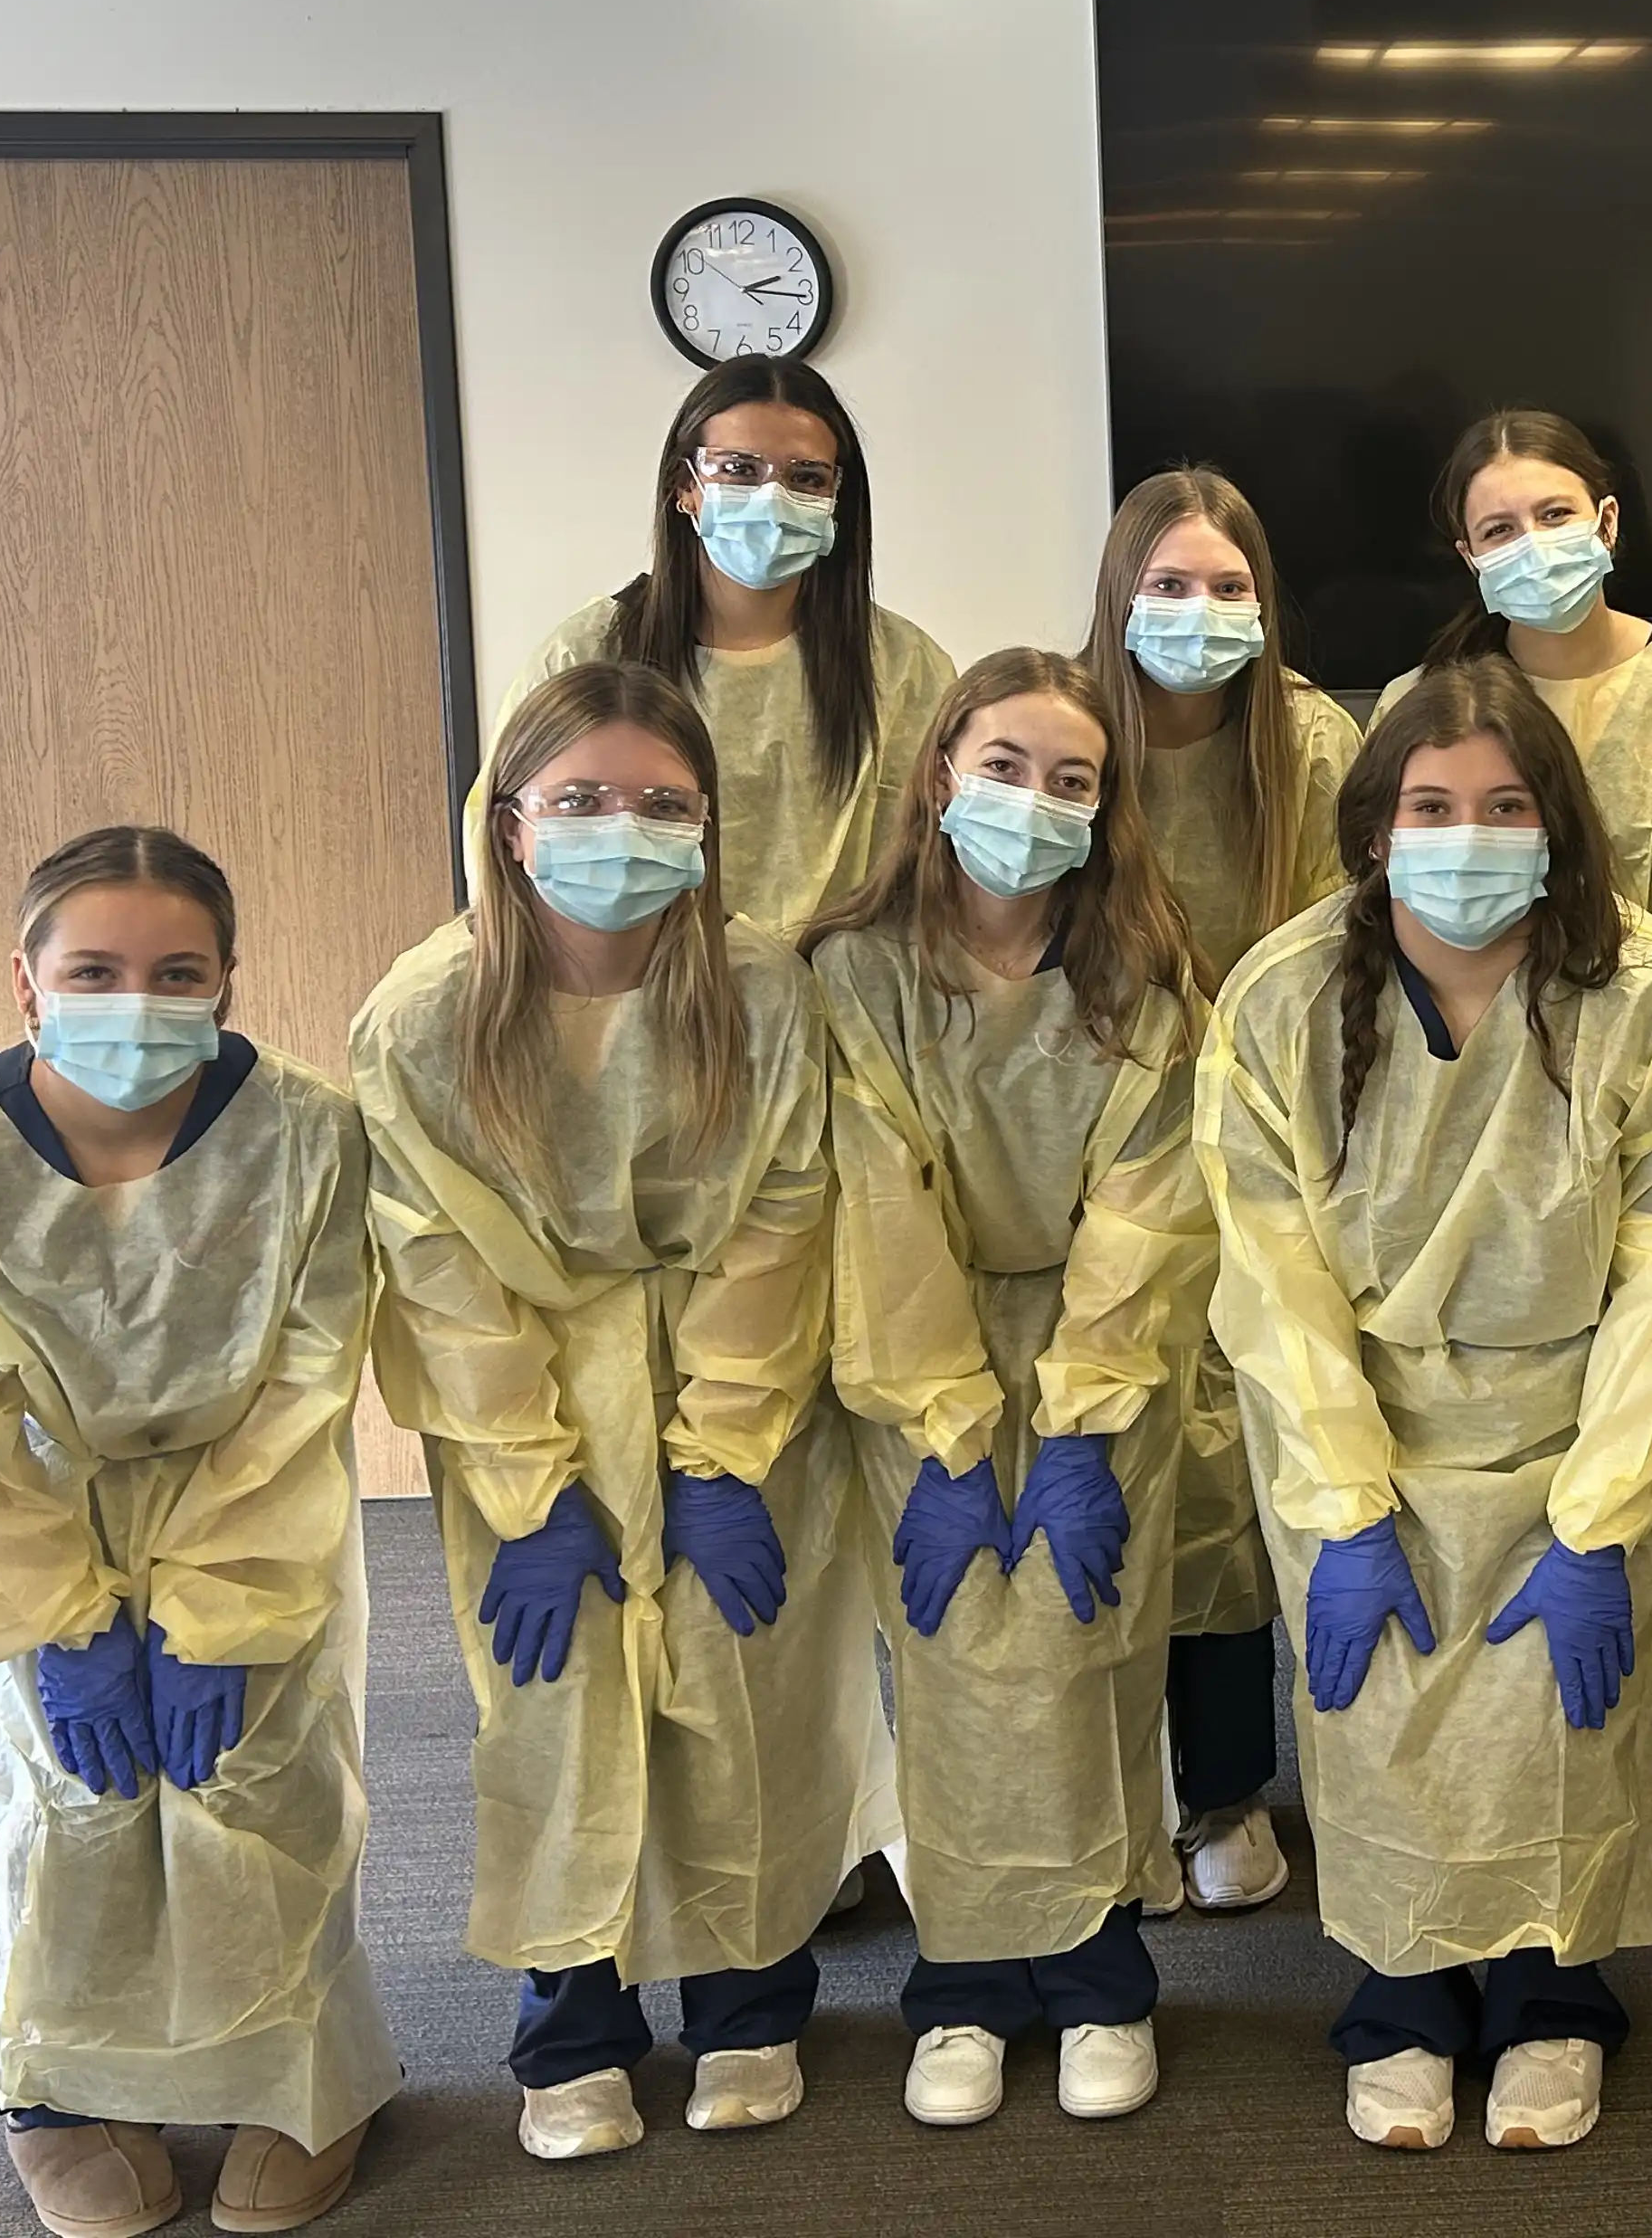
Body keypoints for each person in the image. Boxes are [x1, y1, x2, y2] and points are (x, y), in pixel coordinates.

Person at [0, 826, 395, 2238]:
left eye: (177, 971)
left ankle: (295, 2080)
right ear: (26, 982)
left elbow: (308, 1378)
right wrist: (61, 1622)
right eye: (95, 970)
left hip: (245, 1493)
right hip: (15, 1508)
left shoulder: (309, 1137)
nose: (137, 1001)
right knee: (61, 1799)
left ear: (229, 981)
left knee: (261, 1783)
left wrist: (223, 1606)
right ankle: (59, 2095)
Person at [1199, 659, 1652, 2156]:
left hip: (1585, 1429)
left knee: (1566, 1733)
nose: (1467, 833)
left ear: (1560, 824)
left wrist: (1597, 1518)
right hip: (1355, 1428)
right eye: (1431, 805)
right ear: (1373, 825)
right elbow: (1273, 1272)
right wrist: (1344, 1498)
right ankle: (1399, 2001)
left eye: (1506, 805)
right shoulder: (1288, 994)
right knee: (1384, 1731)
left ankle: (1558, 2003)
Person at [355, 659, 860, 2160]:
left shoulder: (761, 986)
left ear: (709, 826)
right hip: (527, 1396)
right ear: (508, 825)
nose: (618, 828)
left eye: (659, 802)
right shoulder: (426, 1013)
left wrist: (717, 1450)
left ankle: (750, 1994)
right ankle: (570, 2021)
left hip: (738, 1386)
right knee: (553, 1703)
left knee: (740, 1691)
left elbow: (780, 1216)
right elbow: (439, 1267)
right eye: (579, 799)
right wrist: (530, 1484)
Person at [811, 648, 1215, 2128]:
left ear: (1107, 808)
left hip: (1105, 1355)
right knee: (959, 1667)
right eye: (1004, 766)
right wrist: (948, 1431)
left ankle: (1104, 1969)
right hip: (912, 1351)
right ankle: (966, 1980)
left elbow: (1149, 1210)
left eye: (1072, 778)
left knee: (1086, 1641)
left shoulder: (1145, 977)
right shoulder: (855, 972)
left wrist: (1081, 1424)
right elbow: (874, 1198)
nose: (1035, 802)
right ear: (938, 774)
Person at [1077, 465, 1359, 1915]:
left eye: (1228, 587)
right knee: (1114, 1459)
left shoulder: (1309, 740)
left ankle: (1231, 1785)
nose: (1198, 615)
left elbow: (1328, 952)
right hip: (1091, 1151)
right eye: (1168, 586)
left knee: (1240, 1474)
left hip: (1260, 1140)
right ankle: (1117, 1792)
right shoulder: (1072, 731)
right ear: (1119, 595)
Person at [476, 351, 956, 934]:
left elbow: (929, 864)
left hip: (841, 996)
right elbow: (499, 842)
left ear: (837, 500)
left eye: (806, 478)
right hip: (645, 988)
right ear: (686, 487)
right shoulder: (589, 654)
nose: (772, 498)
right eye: (738, 469)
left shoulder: (906, 668)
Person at [1377, 409, 1652, 908]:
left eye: (1554, 515)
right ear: (1471, 558)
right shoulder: (1415, 705)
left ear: (1606, 522)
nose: (1533, 545)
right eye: (1500, 531)